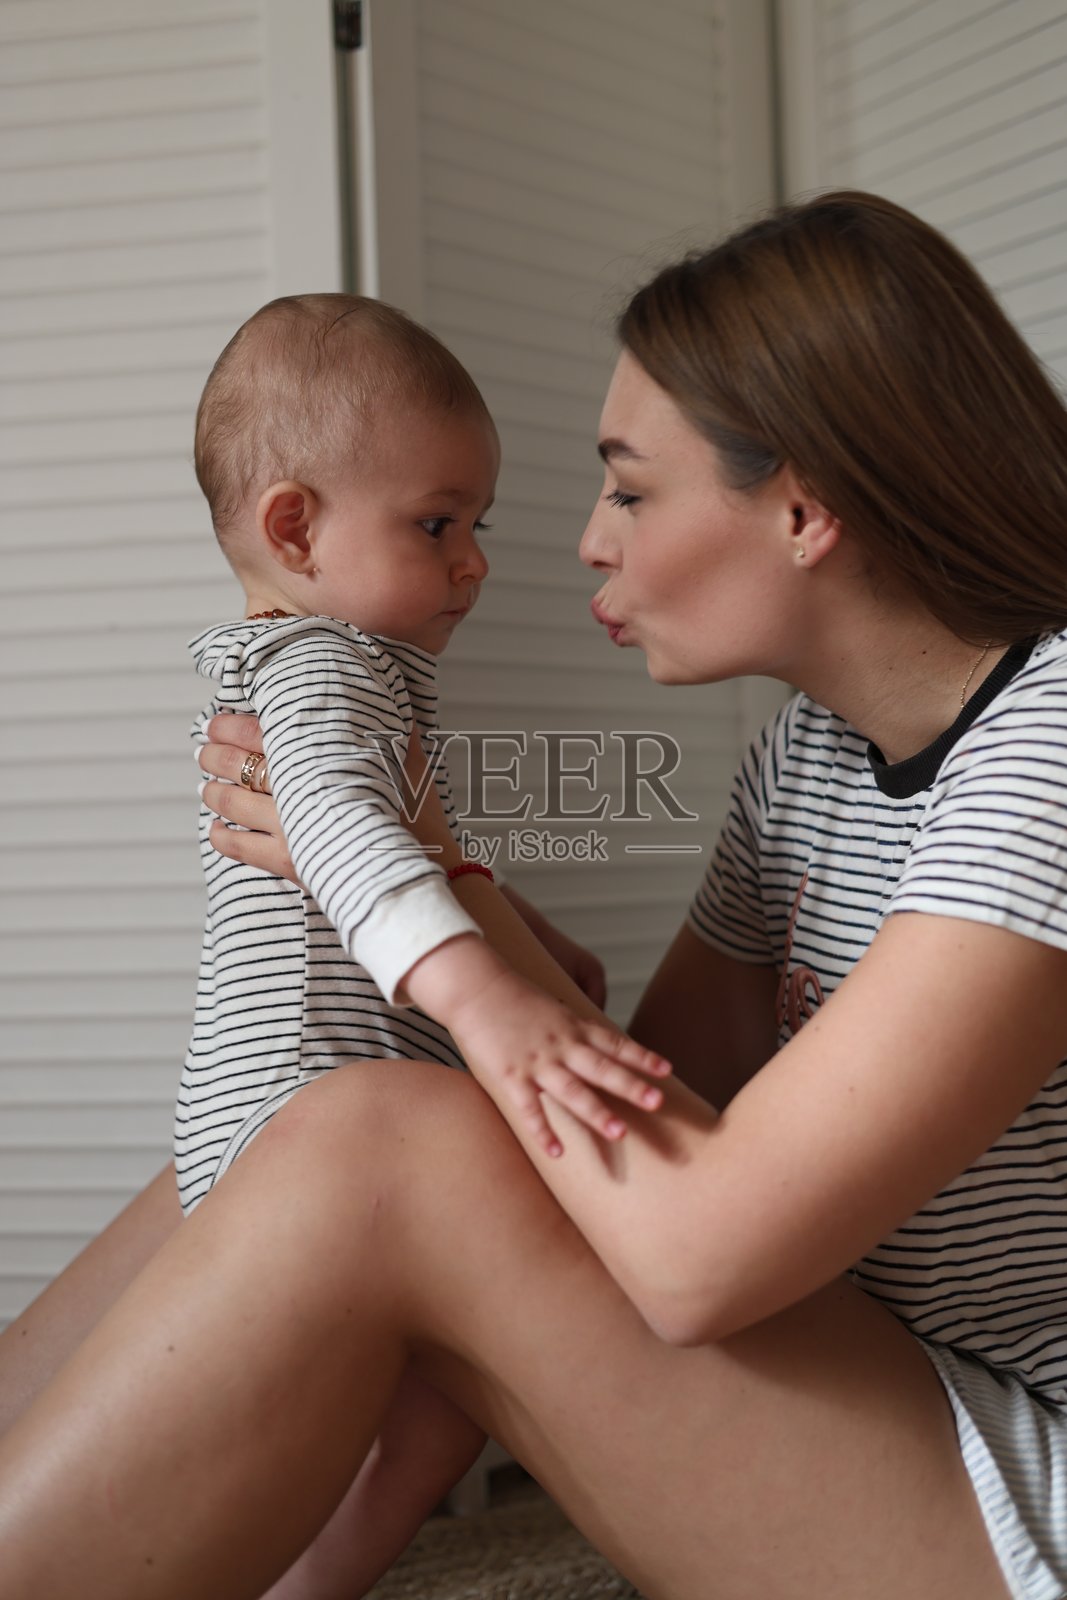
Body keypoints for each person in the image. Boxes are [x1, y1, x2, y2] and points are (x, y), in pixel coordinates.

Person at [2, 189, 1067, 1600]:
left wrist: (426, 865)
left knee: (378, 1141)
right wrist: (452, 941)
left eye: (630, 487)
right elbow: (630, 1097)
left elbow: (695, 1258)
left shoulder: (1051, 747)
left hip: (1020, 1487)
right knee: (306, 1123)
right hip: (876, 1373)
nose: (582, 542)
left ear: (804, 506)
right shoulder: (805, 760)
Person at [182, 291, 663, 1591]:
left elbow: (399, 839)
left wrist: (531, 944)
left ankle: (320, 1570)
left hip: (302, 1115)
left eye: (475, 525)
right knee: (415, 1382)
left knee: (431, 1389)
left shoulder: (328, 664)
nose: (477, 560)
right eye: (437, 525)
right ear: (296, 526)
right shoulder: (321, 666)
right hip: (289, 1123)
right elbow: (340, 835)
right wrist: (484, 1001)